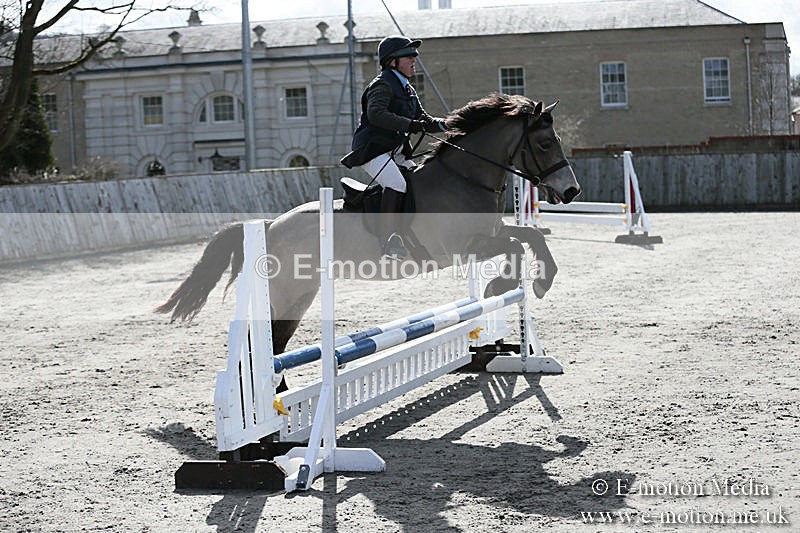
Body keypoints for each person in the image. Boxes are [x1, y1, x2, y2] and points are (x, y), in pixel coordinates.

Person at [341, 35, 447, 259]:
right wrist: (410, 124)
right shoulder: (382, 84)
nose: (413, 61)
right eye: (409, 57)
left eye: (414, 57)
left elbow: (423, 119)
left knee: (417, 180)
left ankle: (411, 235)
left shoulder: (407, 88)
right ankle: (388, 241)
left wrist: (450, 125)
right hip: (373, 150)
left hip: (395, 151)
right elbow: (376, 114)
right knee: (396, 183)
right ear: (392, 62)